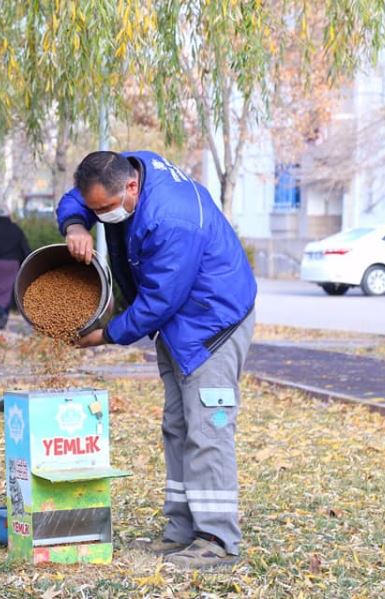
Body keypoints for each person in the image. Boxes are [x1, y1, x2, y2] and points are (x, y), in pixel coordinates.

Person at [56, 150, 257, 570]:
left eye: (103, 210)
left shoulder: (172, 219)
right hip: (182, 324)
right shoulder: (129, 168)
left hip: (211, 325)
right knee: (178, 427)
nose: (100, 216)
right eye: (94, 209)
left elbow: (158, 302)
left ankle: (217, 540)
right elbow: (79, 197)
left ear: (131, 188)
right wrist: (76, 225)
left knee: (208, 429)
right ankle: (184, 531)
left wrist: (105, 335)